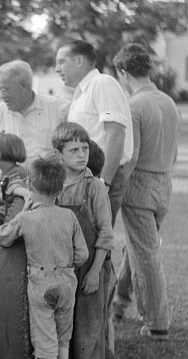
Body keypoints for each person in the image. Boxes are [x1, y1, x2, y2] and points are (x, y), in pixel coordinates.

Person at [0, 155, 89, 359]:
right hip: (67, 282)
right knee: (62, 339)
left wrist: (25, 209)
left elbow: (2, 237)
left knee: (45, 345)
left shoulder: (27, 219)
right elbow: (82, 255)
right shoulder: (69, 217)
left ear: (32, 188)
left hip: (41, 284)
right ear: (60, 190)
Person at [112, 42, 180, 340]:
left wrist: (116, 186)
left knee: (145, 254)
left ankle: (157, 322)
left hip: (140, 183)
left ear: (123, 72)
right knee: (139, 247)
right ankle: (119, 303)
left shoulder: (134, 105)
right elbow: (175, 151)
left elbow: (133, 154)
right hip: (164, 180)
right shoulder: (168, 102)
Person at [53, 122, 116, 359]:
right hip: (61, 267)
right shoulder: (53, 187)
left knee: (89, 324)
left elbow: (105, 234)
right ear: (59, 155)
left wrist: (93, 272)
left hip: (91, 266)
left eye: (85, 148)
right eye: (74, 150)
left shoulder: (95, 188)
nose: (81, 155)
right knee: (61, 324)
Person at [54, 40, 133, 224]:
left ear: (79, 61)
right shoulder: (82, 92)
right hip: (83, 177)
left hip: (100, 177)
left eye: (61, 62)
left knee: (95, 242)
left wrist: (103, 184)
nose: (57, 69)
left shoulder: (101, 85)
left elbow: (115, 133)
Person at [0, 60, 70, 163]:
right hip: (10, 178)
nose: (1, 95)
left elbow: (73, 152)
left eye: (5, 90)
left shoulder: (60, 110)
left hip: (48, 177)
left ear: (24, 86)